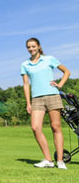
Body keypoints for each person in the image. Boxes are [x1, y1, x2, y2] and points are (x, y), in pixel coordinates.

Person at [21, 37, 70, 169]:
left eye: (33, 46)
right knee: (35, 127)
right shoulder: (25, 65)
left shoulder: (49, 59)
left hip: (52, 95)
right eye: (29, 47)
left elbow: (66, 72)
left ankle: (60, 161)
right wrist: (28, 103)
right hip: (36, 99)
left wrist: (59, 84)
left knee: (56, 127)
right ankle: (48, 159)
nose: (31, 49)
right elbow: (26, 84)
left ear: (38, 46)